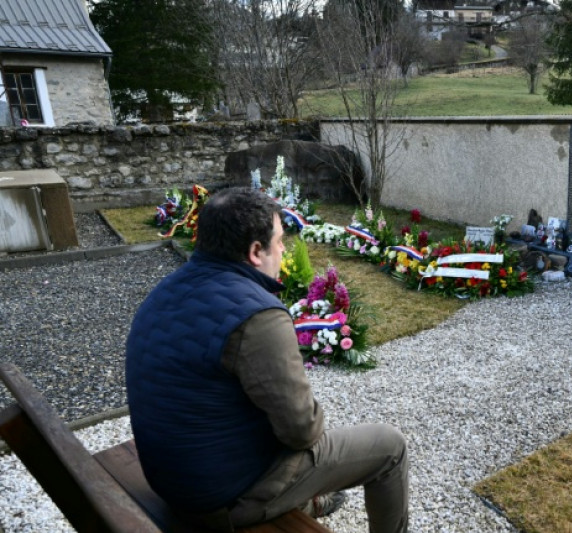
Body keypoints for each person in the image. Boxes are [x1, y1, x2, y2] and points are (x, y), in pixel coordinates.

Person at [126, 188, 409, 532]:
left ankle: (308, 500)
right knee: (389, 447)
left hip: (174, 479)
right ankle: (307, 499)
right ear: (256, 251)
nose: (283, 249)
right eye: (279, 241)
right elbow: (302, 431)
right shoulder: (258, 316)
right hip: (220, 501)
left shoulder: (164, 291)